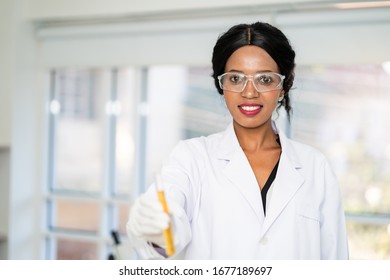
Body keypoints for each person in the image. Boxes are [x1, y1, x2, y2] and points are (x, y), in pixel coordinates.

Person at [126, 22, 349, 259]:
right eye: (235, 79)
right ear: (221, 85)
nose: (249, 92)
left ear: (283, 86)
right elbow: (169, 218)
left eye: (264, 79)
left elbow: (335, 259)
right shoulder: (191, 157)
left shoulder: (315, 167)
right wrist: (158, 230)